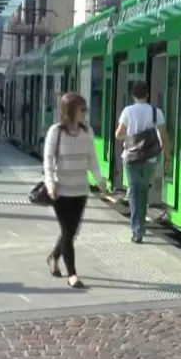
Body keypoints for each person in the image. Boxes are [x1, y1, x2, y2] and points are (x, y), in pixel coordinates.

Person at [43, 92, 105, 289]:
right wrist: (50, 183)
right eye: (81, 109)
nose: (85, 113)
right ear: (70, 111)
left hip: (80, 190)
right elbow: (48, 160)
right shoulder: (56, 132)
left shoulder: (87, 132)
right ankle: (72, 275)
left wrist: (99, 180)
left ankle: (54, 256)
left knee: (70, 231)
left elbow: (92, 159)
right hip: (60, 191)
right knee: (68, 232)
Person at [115, 81, 171, 244]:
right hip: (150, 158)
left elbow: (118, 134)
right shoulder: (156, 112)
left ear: (133, 95)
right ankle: (141, 225)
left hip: (131, 157)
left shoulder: (128, 111)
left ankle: (137, 229)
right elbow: (164, 137)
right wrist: (168, 157)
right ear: (147, 94)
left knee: (133, 192)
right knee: (143, 191)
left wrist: (131, 138)